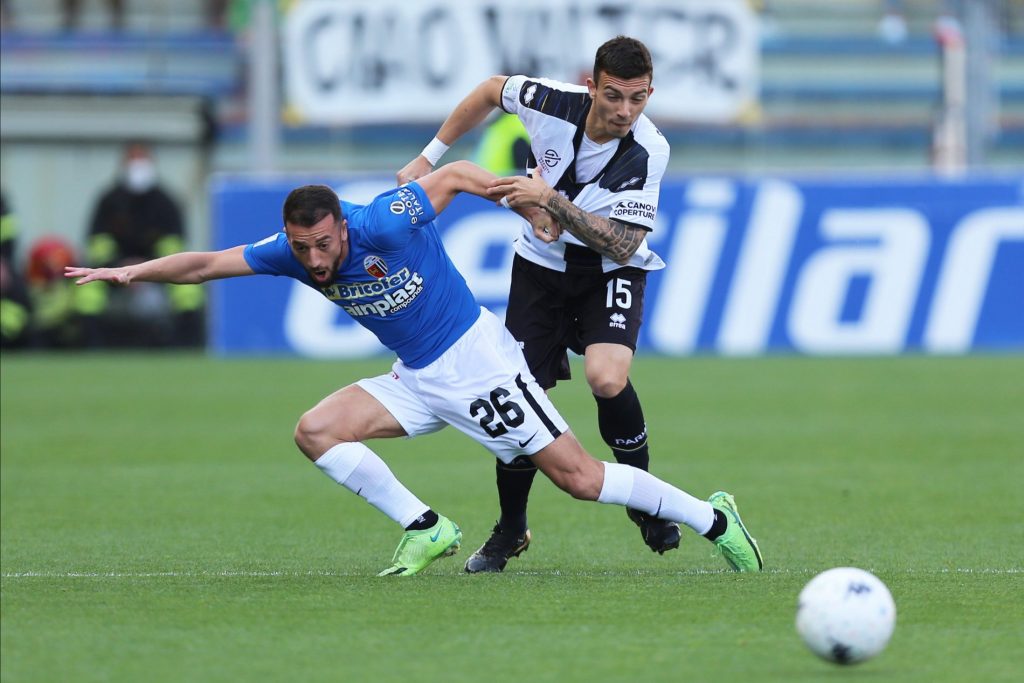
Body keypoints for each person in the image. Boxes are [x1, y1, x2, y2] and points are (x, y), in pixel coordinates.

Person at [65, 160, 763, 577]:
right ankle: (426, 525)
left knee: (580, 479)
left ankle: (714, 518)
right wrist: (130, 272)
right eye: (303, 248)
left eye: (322, 244)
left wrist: (515, 196)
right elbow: (206, 265)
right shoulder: (290, 251)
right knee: (316, 431)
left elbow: (454, 177)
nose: (314, 260)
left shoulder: (384, 221)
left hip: (478, 363)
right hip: (417, 378)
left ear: (342, 225)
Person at [397, 36, 681, 572]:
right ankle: (511, 529)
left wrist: (549, 200)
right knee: (519, 395)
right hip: (540, 271)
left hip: (609, 271)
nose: (625, 111)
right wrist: (429, 156)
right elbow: (490, 90)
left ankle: (646, 501)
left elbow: (623, 244)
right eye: (614, 95)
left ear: (650, 94)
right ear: (591, 86)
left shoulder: (651, 151)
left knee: (607, 378)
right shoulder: (550, 101)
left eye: (638, 98)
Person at [79, 141, 205, 347]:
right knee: (88, 289)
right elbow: (97, 244)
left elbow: (175, 246)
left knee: (189, 290)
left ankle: (186, 344)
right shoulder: (109, 201)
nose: (138, 165)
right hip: (113, 270)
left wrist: (145, 268)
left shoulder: (165, 202)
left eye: (142, 159)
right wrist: (119, 265)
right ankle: (92, 345)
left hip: (159, 270)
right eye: (133, 159)